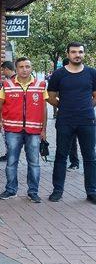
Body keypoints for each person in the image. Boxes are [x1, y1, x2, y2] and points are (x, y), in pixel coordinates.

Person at [47, 42, 96, 203]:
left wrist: (87, 106)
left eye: (80, 52)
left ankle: (92, 191)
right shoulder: (58, 74)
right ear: (68, 54)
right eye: (74, 52)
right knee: (61, 156)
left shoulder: (91, 73)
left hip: (87, 121)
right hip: (65, 121)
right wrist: (66, 106)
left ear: (83, 54)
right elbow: (51, 97)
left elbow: (95, 95)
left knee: (90, 157)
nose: (77, 55)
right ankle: (57, 190)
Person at [0, 57, 47, 202]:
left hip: (34, 130)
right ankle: (11, 190)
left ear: (31, 68)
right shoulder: (7, 84)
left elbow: (44, 108)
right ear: (16, 69)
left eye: (27, 66)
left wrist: (43, 129)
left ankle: (33, 192)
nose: (24, 69)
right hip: (13, 130)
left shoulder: (40, 85)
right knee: (12, 161)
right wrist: (0, 119)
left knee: (34, 162)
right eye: (21, 67)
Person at [0, 61, 15, 163]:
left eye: (3, 70)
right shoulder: (9, 81)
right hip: (7, 114)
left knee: (7, 136)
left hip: (9, 114)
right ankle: (9, 154)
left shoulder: (11, 82)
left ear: (7, 69)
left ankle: (10, 155)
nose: (3, 72)